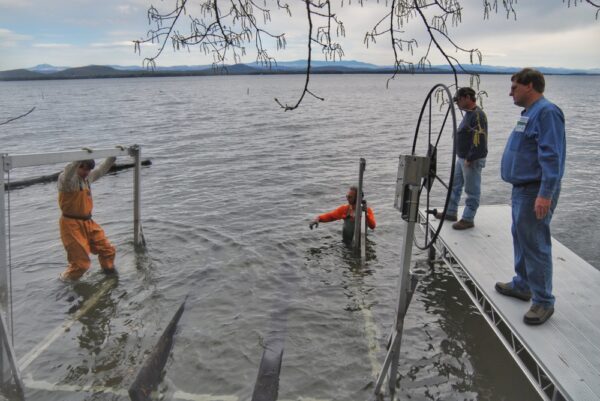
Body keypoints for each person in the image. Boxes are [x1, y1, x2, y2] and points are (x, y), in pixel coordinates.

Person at [495, 68, 566, 325]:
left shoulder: (547, 113)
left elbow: (552, 156)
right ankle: (523, 284)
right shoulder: (529, 113)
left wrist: (545, 194)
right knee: (521, 236)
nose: (510, 92)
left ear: (530, 86)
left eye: (514, 87)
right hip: (522, 188)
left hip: (535, 189)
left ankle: (543, 301)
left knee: (535, 242)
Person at [58, 148, 120, 281]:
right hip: (71, 224)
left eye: (88, 170)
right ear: (77, 167)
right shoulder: (67, 182)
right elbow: (67, 172)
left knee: (108, 250)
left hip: (88, 222)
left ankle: (109, 273)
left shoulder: (87, 179)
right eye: (84, 169)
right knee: (81, 264)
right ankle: (65, 282)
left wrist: (113, 156)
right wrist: (78, 158)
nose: (86, 172)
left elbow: (101, 170)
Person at [435, 87, 488, 230]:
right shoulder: (469, 114)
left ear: (467, 97)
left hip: (471, 159)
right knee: (455, 186)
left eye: (458, 99)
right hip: (462, 158)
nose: (457, 103)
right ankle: (451, 212)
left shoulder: (478, 115)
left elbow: (480, 140)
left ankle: (468, 218)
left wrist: (470, 158)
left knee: (472, 190)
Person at [309, 186, 376, 242]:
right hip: (346, 242)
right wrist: (318, 219)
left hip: (361, 243)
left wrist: (365, 214)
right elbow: (331, 216)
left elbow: (372, 226)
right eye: (347, 196)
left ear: (357, 198)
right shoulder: (345, 209)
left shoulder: (366, 210)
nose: (347, 198)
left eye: (350, 197)